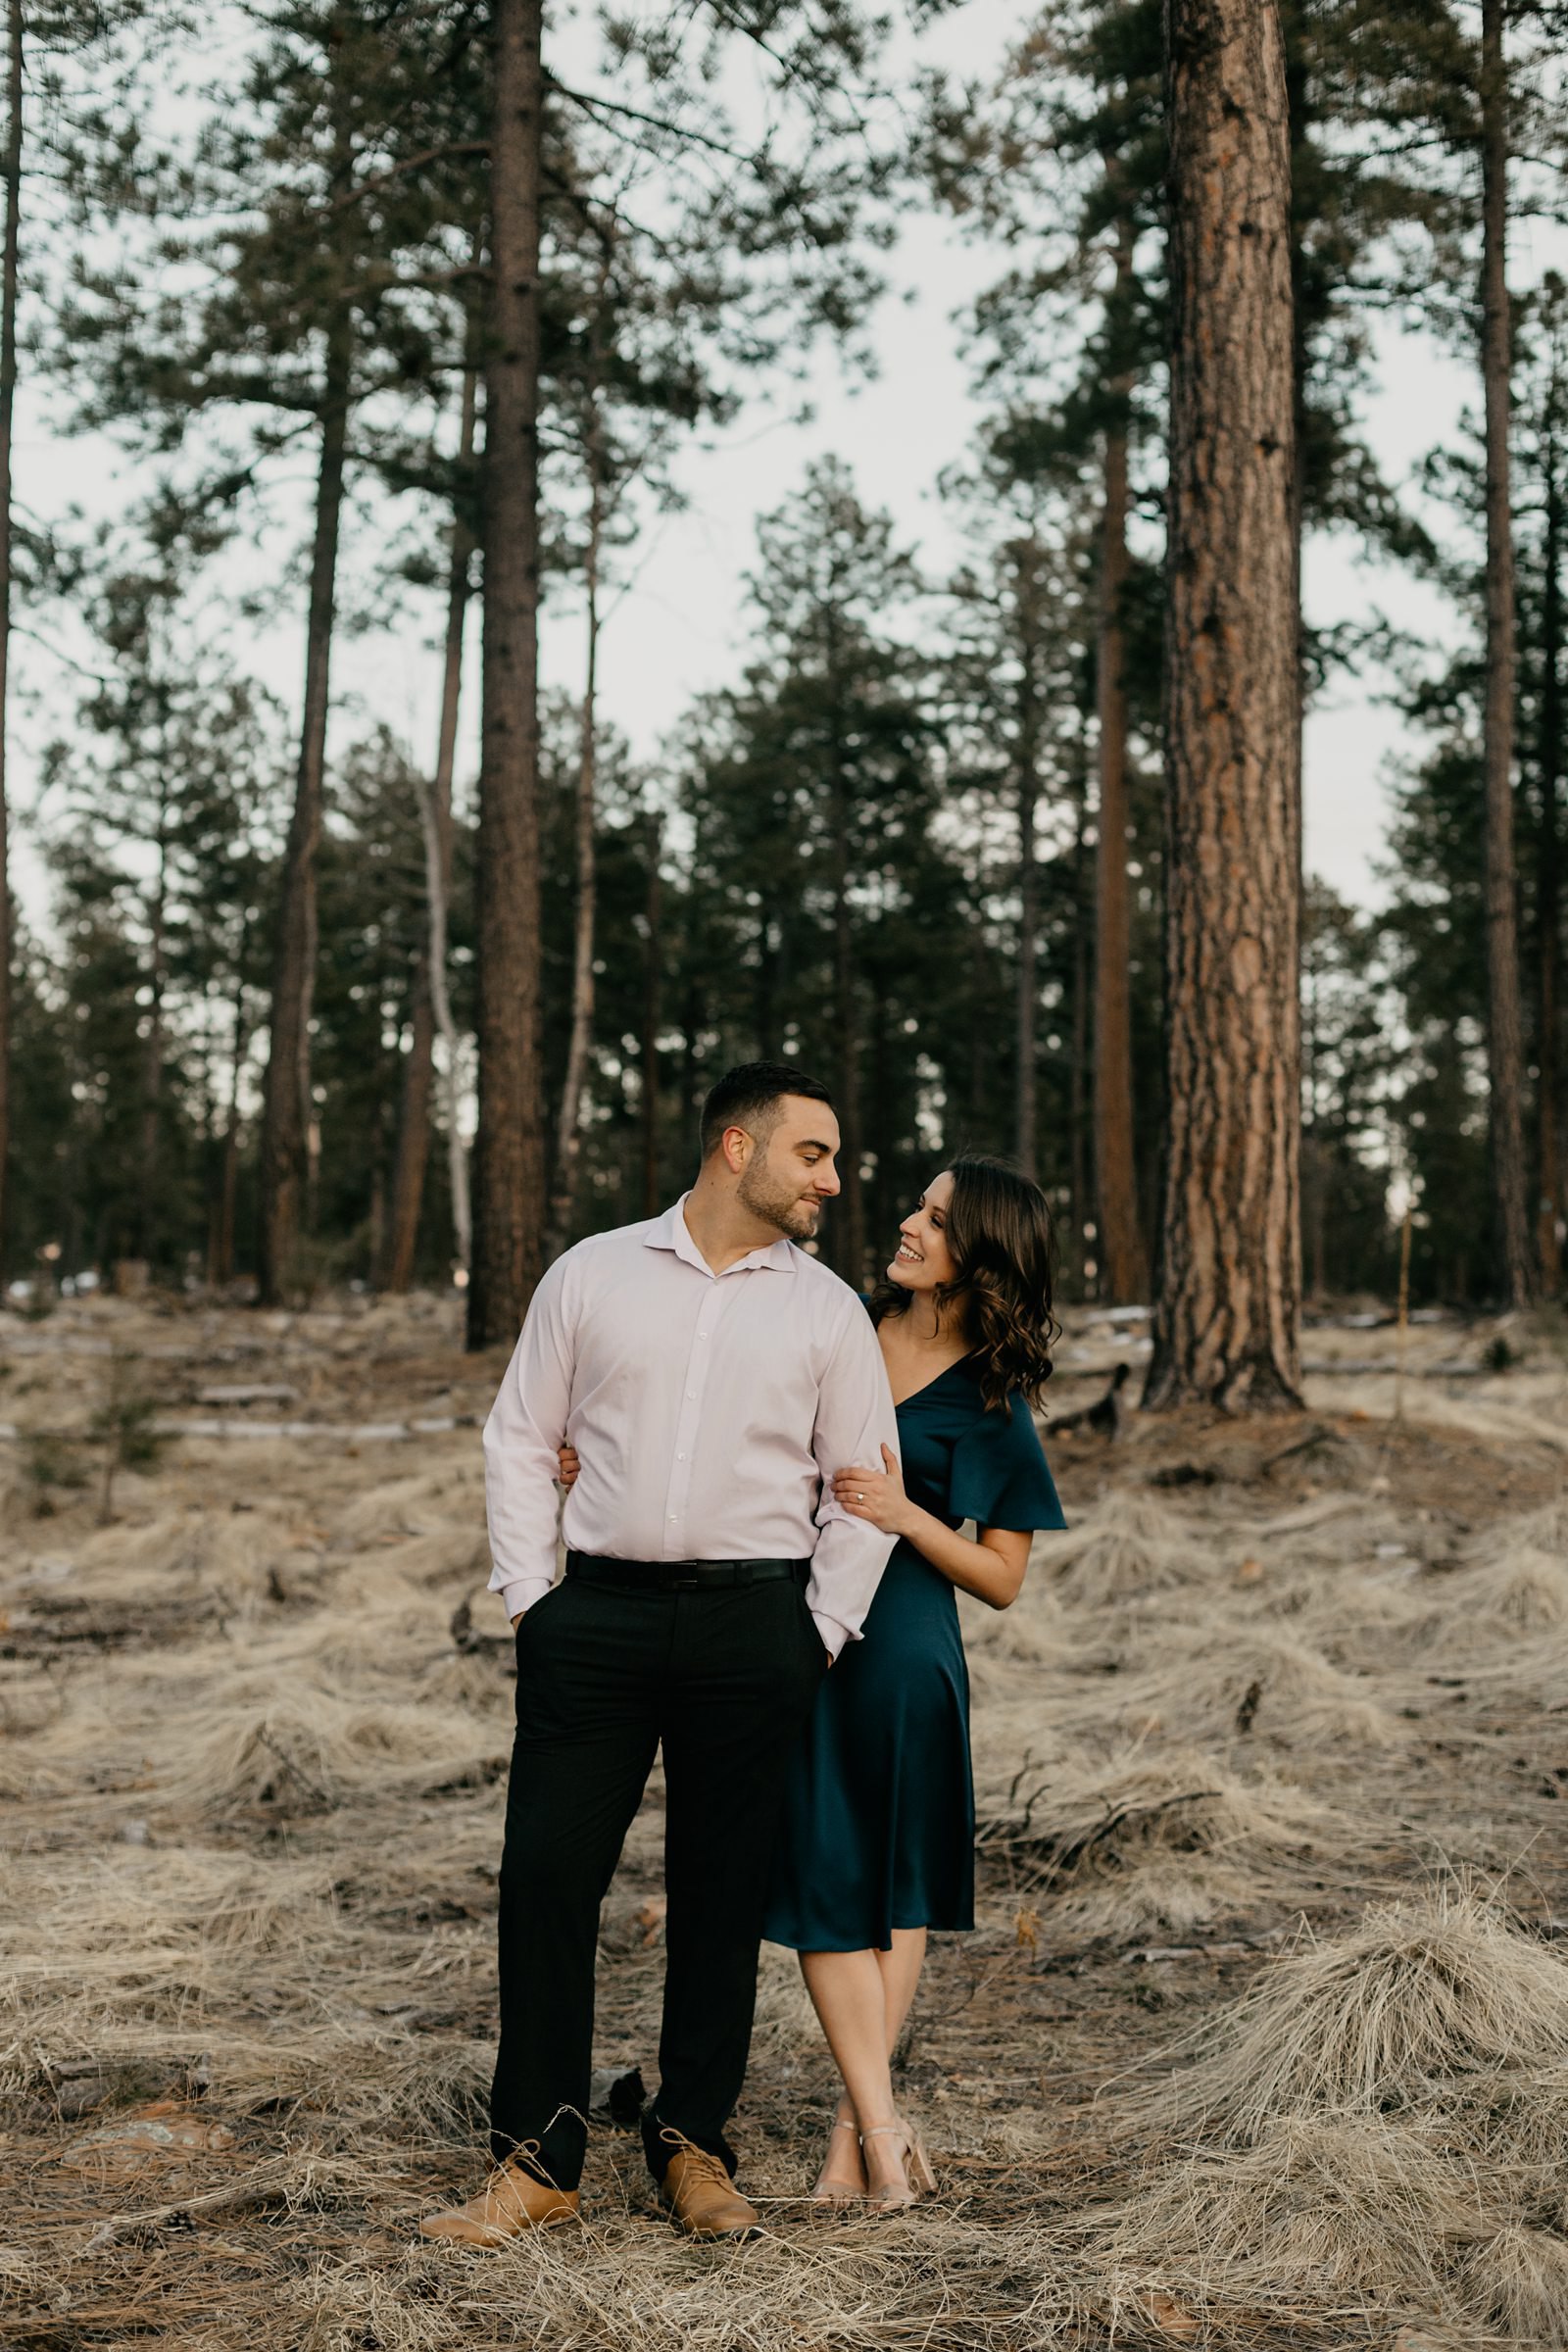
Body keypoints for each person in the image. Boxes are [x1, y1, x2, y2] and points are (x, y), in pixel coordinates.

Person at [421, 1062, 899, 2248]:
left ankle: (693, 2142)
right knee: (543, 1877)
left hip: (757, 1625)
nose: (833, 1181)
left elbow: (862, 1486)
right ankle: (536, 2161)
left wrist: (820, 1629)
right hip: (598, 1621)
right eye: (813, 1154)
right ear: (735, 1147)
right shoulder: (592, 1274)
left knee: (720, 1890)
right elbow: (520, 1438)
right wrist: (536, 1599)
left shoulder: (826, 1308)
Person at [763, 1156, 1064, 2212]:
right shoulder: (838, 1320)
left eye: (935, 1220)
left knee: (890, 1896)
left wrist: (907, 1517)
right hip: (803, 1644)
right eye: (918, 1207)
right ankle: (881, 2128)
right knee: (821, 1885)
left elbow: (1004, 1578)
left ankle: (858, 2141)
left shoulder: (990, 1401)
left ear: (976, 1255)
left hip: (905, 1661)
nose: (906, 1223)